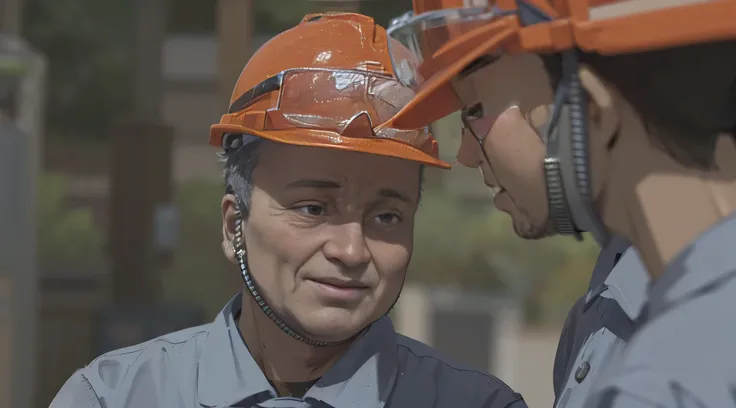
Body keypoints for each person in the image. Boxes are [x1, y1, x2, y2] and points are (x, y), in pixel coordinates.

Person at [48, 12, 527, 408]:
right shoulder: (116, 397)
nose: (351, 249)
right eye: (313, 207)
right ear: (234, 222)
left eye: (386, 217)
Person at [383, 1, 736, 407]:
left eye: (475, 110)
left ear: (587, 108)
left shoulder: (676, 376)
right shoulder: (599, 315)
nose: (465, 153)